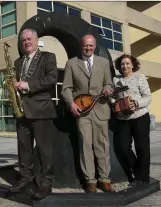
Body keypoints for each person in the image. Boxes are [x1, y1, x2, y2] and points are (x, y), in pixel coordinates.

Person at [9, 28, 58, 199]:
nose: (26, 42)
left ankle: (46, 184)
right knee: (24, 149)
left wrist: (27, 85)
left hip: (42, 110)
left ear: (37, 41)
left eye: (29, 39)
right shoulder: (17, 62)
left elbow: (52, 79)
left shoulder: (48, 57)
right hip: (22, 112)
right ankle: (25, 178)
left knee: (45, 150)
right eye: (23, 40)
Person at [61, 34, 113, 193]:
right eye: (85, 46)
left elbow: (108, 83)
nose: (88, 48)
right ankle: (90, 181)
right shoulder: (71, 63)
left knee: (102, 146)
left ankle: (104, 179)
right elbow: (66, 88)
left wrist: (107, 89)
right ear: (81, 46)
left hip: (100, 110)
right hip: (82, 112)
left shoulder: (104, 63)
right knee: (85, 146)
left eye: (91, 46)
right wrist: (71, 104)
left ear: (95, 46)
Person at [111, 54, 152, 186]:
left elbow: (148, 97)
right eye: (122, 64)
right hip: (123, 118)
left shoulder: (140, 78)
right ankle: (137, 171)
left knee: (142, 147)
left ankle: (143, 178)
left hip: (140, 117)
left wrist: (137, 104)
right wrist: (115, 103)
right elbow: (111, 97)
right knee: (123, 147)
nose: (125, 66)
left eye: (128, 63)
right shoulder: (115, 80)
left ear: (133, 65)